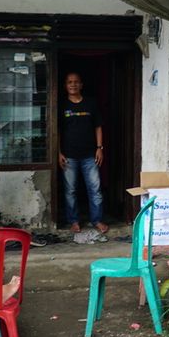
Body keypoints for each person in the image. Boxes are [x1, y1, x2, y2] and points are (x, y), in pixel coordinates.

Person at [58, 72, 108, 234]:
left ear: (81, 85)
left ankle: (97, 220)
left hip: (90, 155)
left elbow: (98, 126)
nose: (73, 85)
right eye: (69, 82)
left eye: (76, 82)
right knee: (70, 190)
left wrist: (99, 148)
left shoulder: (91, 103)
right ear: (65, 85)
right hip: (69, 155)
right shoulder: (61, 105)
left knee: (95, 189)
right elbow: (57, 131)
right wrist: (58, 152)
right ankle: (73, 221)